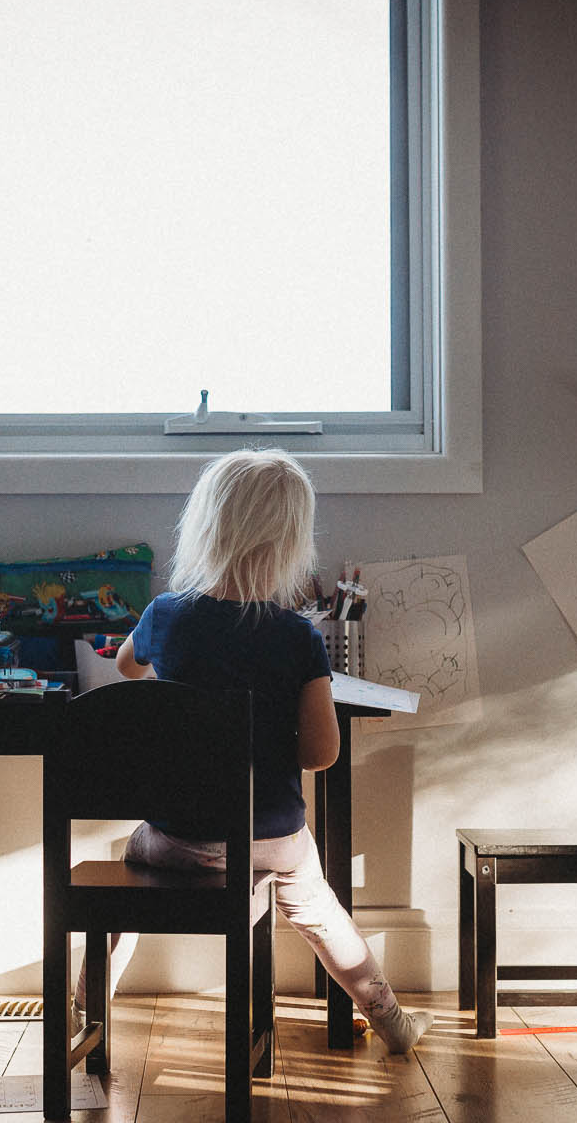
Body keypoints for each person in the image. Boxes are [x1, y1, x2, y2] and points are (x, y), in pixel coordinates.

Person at [84, 448, 433, 1055]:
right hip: (271, 835)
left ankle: (84, 1011)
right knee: (319, 908)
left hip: (177, 839)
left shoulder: (165, 614)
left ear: (206, 527)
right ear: (291, 543)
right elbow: (322, 754)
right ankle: (389, 1018)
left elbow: (124, 667)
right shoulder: (297, 637)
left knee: (129, 864)